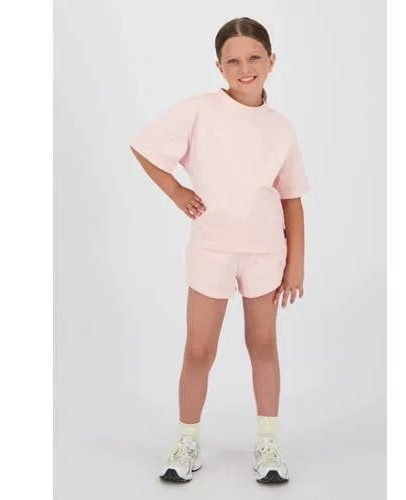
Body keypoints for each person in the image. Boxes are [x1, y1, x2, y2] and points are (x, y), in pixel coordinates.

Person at [130, 17, 310, 484]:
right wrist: (176, 191)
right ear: (219, 67)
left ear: (272, 61)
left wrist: (296, 263)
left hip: (264, 252)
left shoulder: (281, 129)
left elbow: (291, 197)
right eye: (233, 61)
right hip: (212, 247)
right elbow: (145, 147)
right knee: (199, 350)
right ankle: (187, 441)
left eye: (254, 58)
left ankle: (268, 444)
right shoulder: (199, 110)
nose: (244, 68)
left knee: (263, 346)